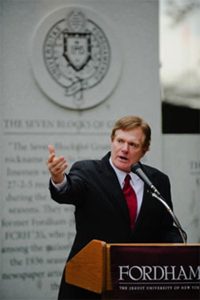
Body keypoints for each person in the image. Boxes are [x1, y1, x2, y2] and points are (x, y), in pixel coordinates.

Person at [47, 115, 184, 300]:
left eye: (133, 145)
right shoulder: (88, 171)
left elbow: (166, 228)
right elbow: (69, 190)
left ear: (144, 150)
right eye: (120, 141)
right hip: (89, 285)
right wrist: (58, 179)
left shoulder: (158, 180)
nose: (124, 149)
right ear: (112, 140)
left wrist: (179, 248)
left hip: (138, 285)